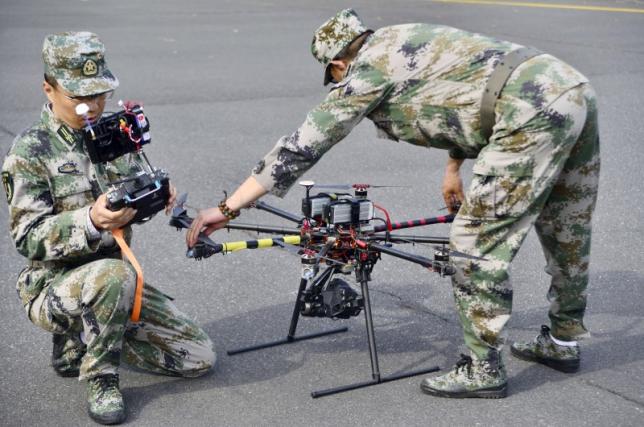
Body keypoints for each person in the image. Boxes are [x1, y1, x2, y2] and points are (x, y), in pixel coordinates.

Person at [186, 9, 599, 399]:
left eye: (333, 76)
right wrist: (453, 168)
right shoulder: (401, 37)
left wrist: (226, 209)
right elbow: (470, 95)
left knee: (474, 245)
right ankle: (563, 340)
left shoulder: (367, 70)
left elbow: (302, 146)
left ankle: (482, 369)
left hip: (528, 113)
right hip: (569, 88)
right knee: (568, 224)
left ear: (337, 65)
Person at [2, 32, 215, 424]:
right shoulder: (29, 152)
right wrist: (90, 220)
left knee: (198, 357)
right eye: (81, 97)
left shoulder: (110, 134)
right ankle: (101, 375)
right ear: (49, 89)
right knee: (114, 274)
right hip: (52, 286)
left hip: (115, 283)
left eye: (101, 94)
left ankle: (88, 337)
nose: (94, 105)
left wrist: (158, 193)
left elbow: (133, 190)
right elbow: (27, 238)